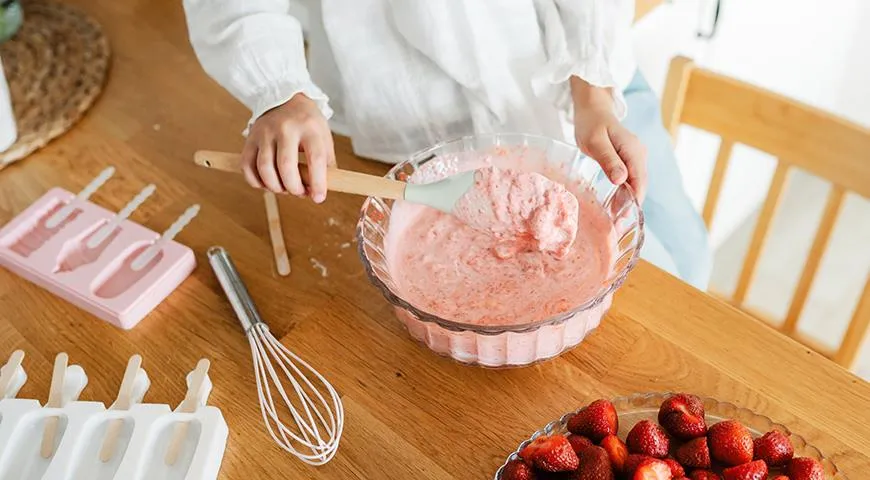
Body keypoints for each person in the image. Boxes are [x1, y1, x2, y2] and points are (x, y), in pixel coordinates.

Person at [183, 0, 712, 289]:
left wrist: (592, 90)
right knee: (658, 297)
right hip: (406, 115)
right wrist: (280, 92)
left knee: (690, 264)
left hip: (575, 82)